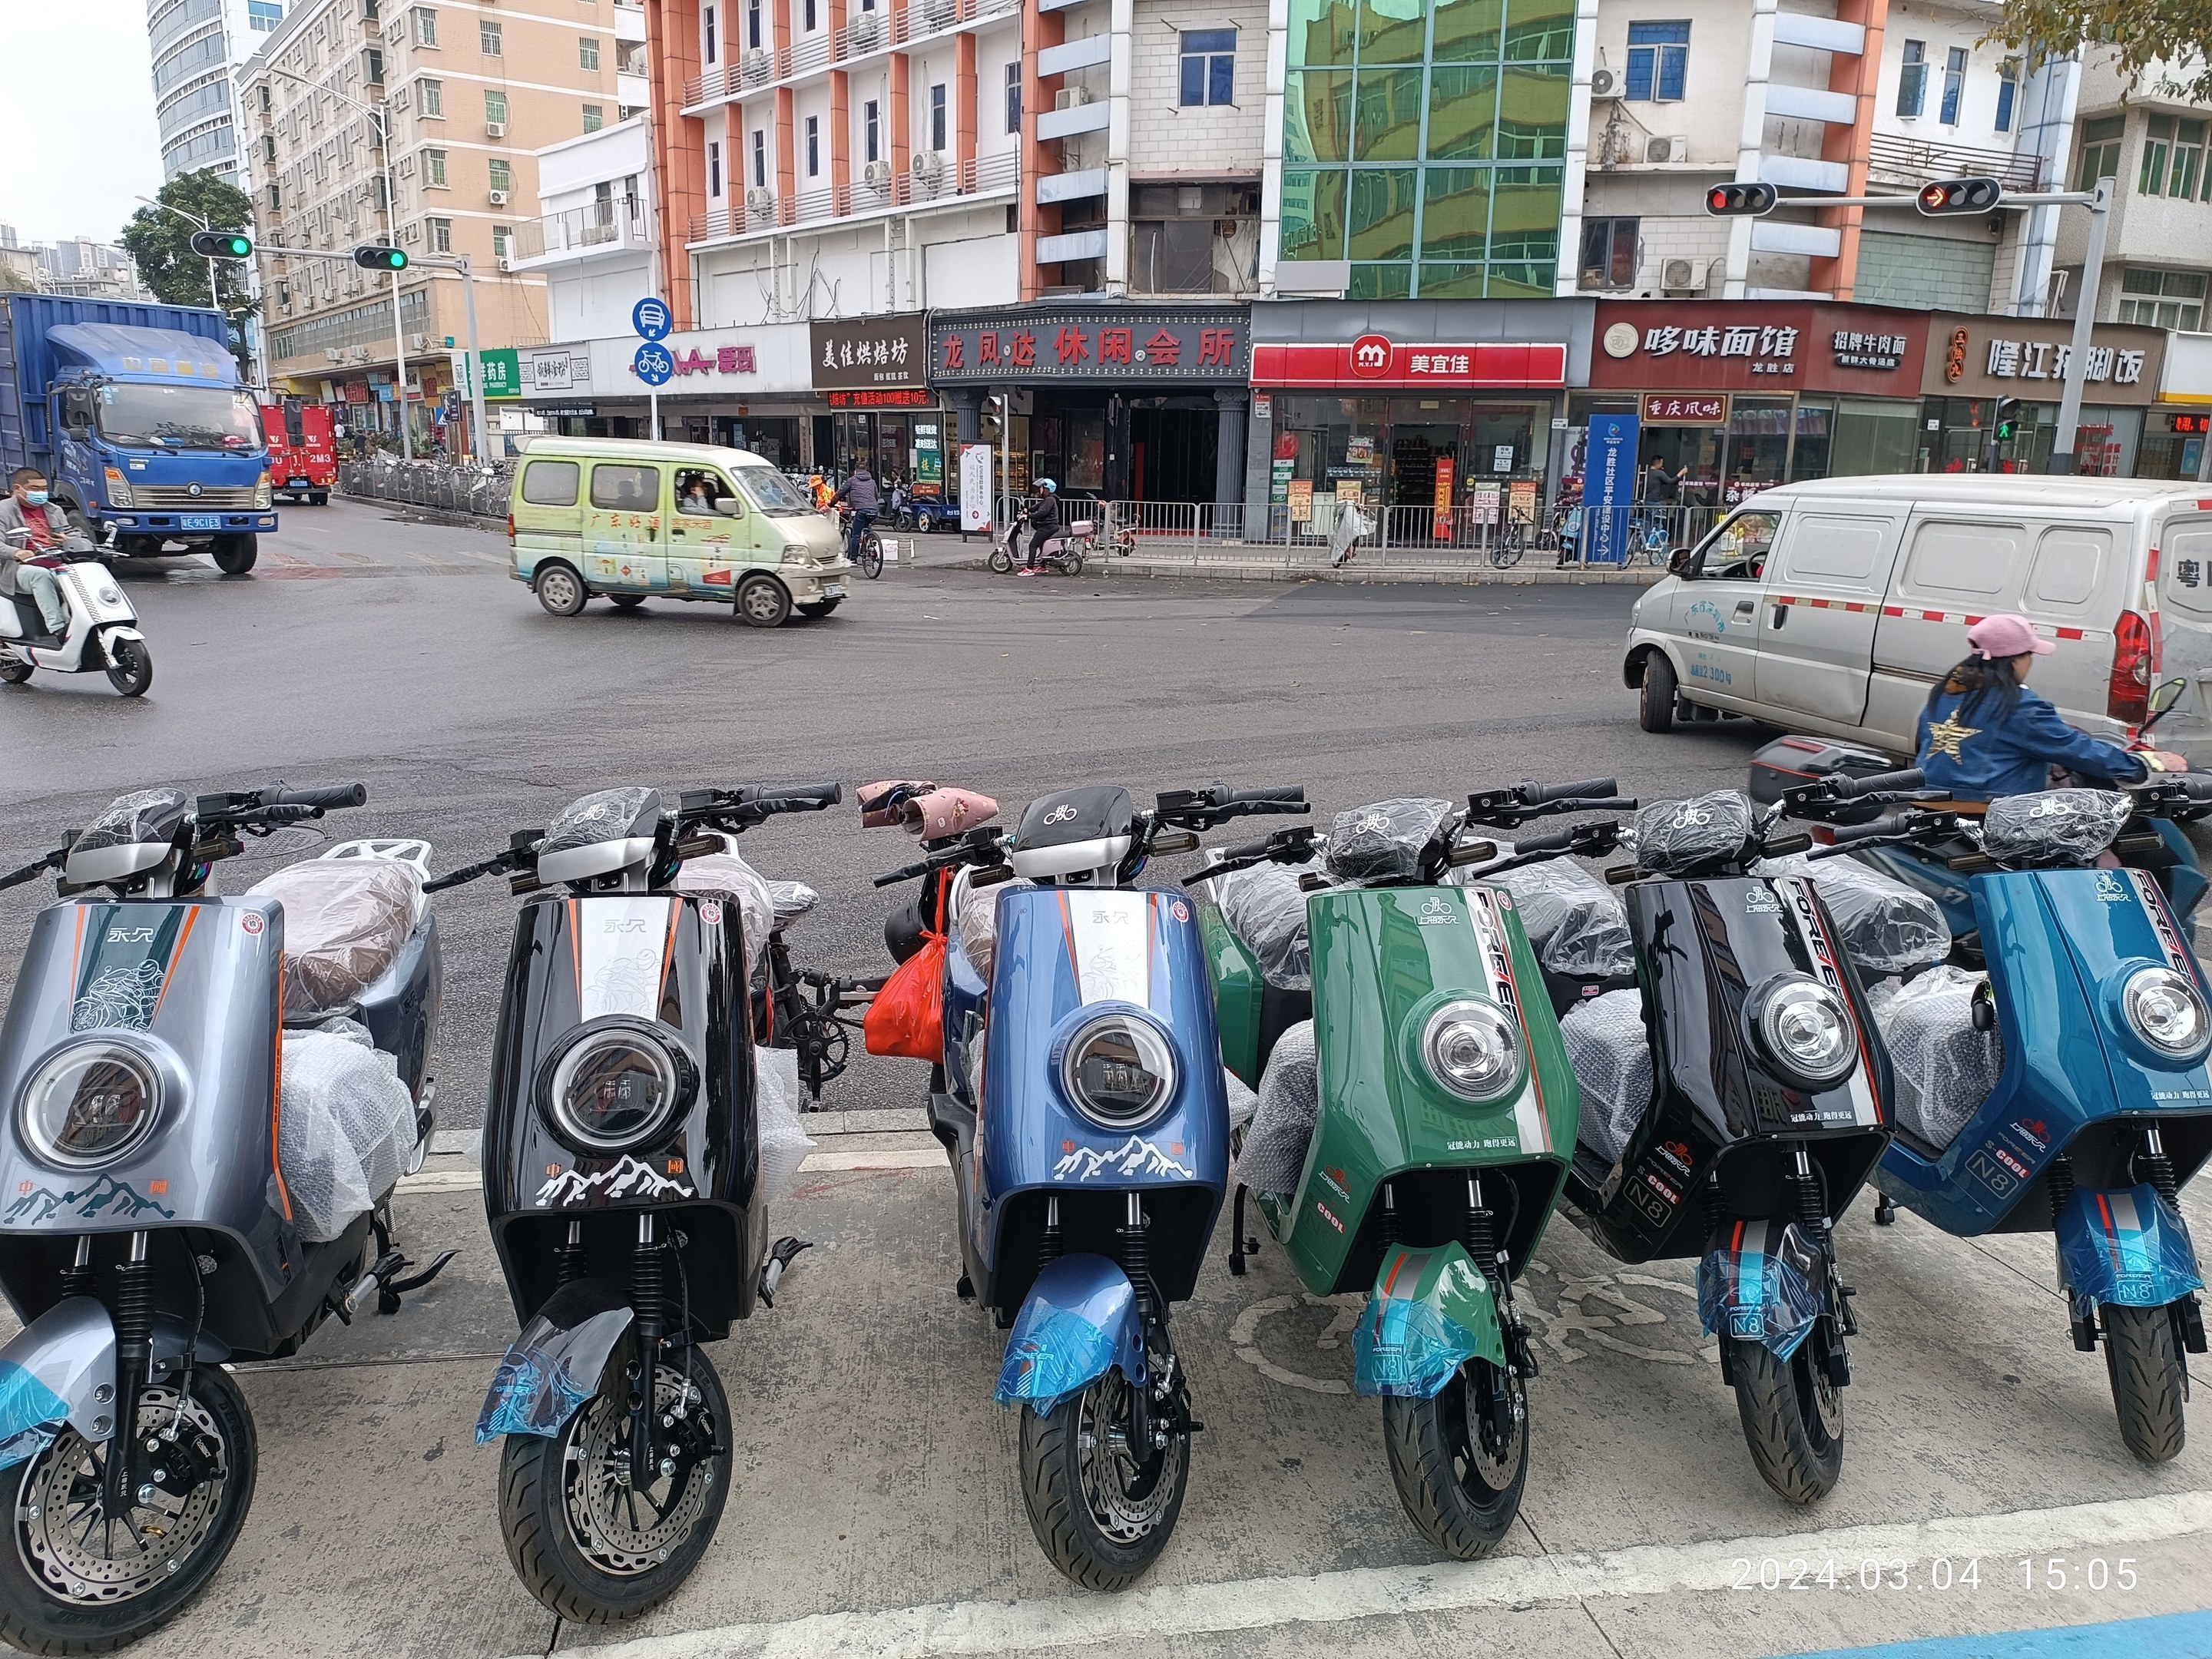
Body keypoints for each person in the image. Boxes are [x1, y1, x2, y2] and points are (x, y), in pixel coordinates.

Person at [1915, 613, 2148, 802]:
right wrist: (2136, 768)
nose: (2031, 662)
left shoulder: (1945, 691)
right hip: (1989, 811)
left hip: (1925, 800)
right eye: (2029, 654)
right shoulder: (2018, 705)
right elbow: (2073, 748)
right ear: (2014, 659)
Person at [0, 469, 72, 639]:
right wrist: (16, 551)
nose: (41, 493)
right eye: (35, 489)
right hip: (16, 569)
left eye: (43, 489)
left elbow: (74, 534)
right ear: (18, 489)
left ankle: (77, 623)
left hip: (55, 564)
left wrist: (66, 539)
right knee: (40, 575)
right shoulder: (3, 511)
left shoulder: (54, 510)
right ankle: (57, 629)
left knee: (79, 578)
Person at [833, 460, 881, 562]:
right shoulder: (872, 481)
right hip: (874, 509)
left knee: (856, 534)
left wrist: (831, 504)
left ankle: (854, 558)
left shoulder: (852, 480)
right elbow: (876, 496)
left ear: (855, 471)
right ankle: (871, 543)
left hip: (861, 509)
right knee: (867, 525)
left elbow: (840, 493)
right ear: (866, 470)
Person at [1013, 478, 1058, 567]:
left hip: (1048, 527)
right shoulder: (1048, 500)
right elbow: (1037, 506)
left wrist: (1027, 516)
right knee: (1042, 545)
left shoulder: (1050, 500)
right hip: (1048, 526)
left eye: (1041, 488)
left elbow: (1042, 512)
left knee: (1033, 545)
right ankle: (1042, 567)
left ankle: (1029, 568)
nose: (1039, 490)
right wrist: (1027, 509)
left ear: (1046, 489)